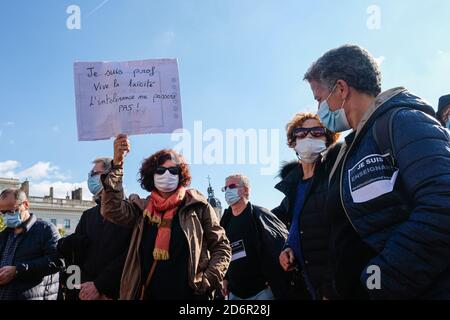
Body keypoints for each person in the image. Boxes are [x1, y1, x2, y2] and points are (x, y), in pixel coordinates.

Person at [303, 44, 450, 299]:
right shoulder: (350, 149)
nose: (319, 110)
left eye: (319, 99)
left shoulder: (404, 121)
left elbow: (442, 204)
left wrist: (379, 281)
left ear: (340, 89)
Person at [100, 134, 231, 300]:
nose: (166, 174)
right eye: (160, 170)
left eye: (173, 170)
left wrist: (206, 281)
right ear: (151, 175)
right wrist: (117, 164)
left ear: (180, 175)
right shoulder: (142, 209)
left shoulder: (197, 206)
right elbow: (111, 209)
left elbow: (221, 246)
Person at [274, 112, 341, 300]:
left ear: (328, 139)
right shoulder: (293, 188)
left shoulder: (336, 177)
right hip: (306, 286)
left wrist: (331, 288)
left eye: (317, 131)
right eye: (301, 133)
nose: (309, 137)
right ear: (293, 142)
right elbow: (297, 226)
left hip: (334, 288)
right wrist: (287, 248)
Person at [57, 157, 132, 300]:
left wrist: (100, 286)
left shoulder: (130, 212)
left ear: (110, 175)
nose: (90, 178)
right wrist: (85, 286)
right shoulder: (88, 215)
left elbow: (129, 257)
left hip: (116, 292)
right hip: (85, 292)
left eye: (94, 174)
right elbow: (78, 256)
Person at [220, 174, 289, 300]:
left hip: (262, 292)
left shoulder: (259, 215)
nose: (228, 191)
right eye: (225, 188)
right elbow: (223, 254)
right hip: (235, 294)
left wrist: (274, 278)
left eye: (232, 186)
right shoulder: (225, 222)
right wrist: (225, 279)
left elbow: (281, 245)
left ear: (245, 190)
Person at [0, 188, 62, 300]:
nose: (6, 216)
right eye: (3, 212)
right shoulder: (3, 236)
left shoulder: (46, 229)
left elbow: (57, 261)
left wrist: (17, 270)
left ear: (26, 205)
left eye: (11, 211)